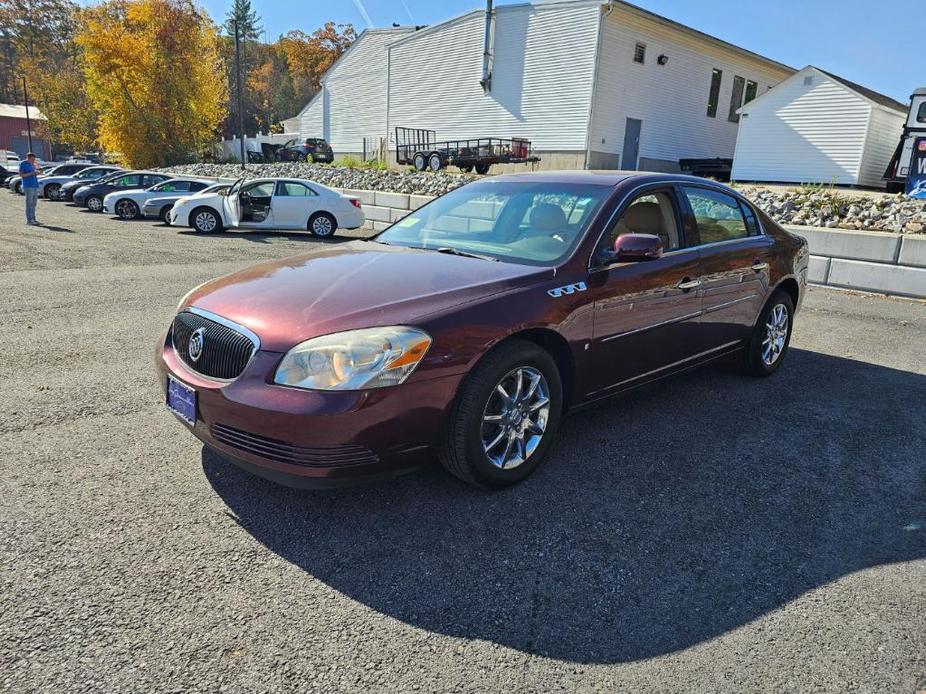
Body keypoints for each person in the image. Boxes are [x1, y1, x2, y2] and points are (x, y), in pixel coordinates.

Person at [19, 152, 41, 225]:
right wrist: (32, 173)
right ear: (28, 158)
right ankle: (29, 220)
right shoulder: (23, 164)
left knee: (34, 203)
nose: (33, 161)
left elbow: (33, 172)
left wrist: (37, 172)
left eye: (34, 159)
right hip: (28, 186)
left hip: (34, 185)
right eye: (32, 159)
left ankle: (33, 219)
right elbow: (21, 175)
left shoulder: (32, 164)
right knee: (29, 203)